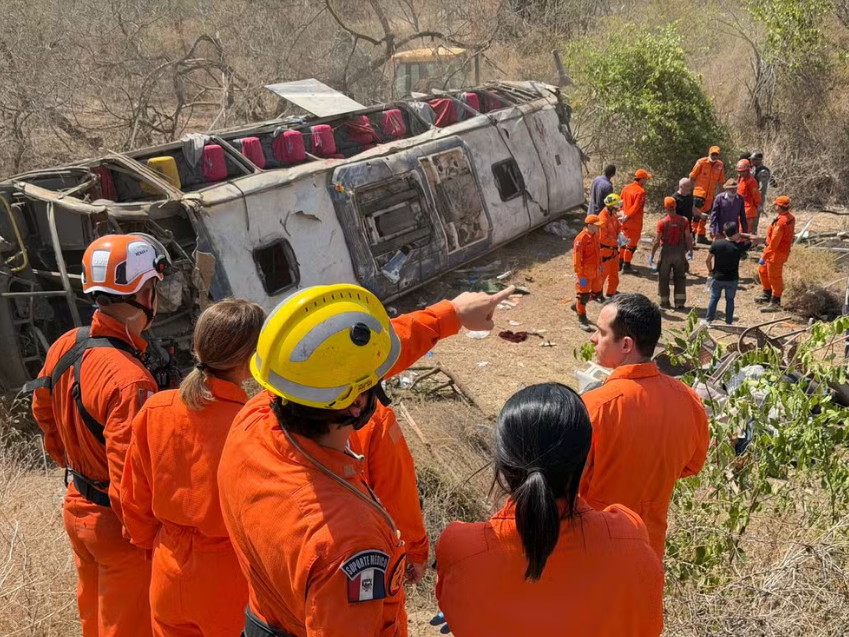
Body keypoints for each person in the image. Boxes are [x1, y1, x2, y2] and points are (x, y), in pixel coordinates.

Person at [217, 283, 514, 637]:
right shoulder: (348, 543)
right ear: (357, 403)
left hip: (264, 618)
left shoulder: (251, 421)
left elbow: (338, 363)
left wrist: (450, 315)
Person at [434, 383, 664, 637]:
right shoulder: (628, 537)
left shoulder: (461, 550)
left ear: (503, 463)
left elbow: (456, 613)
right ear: (586, 460)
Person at [29, 234, 168, 637]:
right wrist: (149, 539)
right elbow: (130, 477)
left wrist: (77, 465)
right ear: (146, 292)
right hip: (119, 529)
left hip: (78, 507)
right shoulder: (131, 380)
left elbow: (43, 411)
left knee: (95, 622)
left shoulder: (66, 345)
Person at [121, 299, 265, 637]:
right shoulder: (253, 424)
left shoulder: (156, 409)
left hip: (167, 570)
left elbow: (133, 500)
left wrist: (159, 549)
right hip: (229, 580)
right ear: (251, 358)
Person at [582, 294, 710, 559]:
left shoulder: (595, 406)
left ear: (626, 344)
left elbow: (564, 485)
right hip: (648, 551)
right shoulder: (688, 400)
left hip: (594, 548)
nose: (593, 338)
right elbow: (691, 465)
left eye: (601, 332)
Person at [705, 222, 757, 326]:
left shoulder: (717, 244)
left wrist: (710, 271)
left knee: (714, 298)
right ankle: (728, 322)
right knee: (730, 300)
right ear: (736, 232)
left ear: (724, 232)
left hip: (717, 277)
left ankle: (708, 321)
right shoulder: (739, 246)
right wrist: (741, 235)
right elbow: (755, 239)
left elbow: (708, 259)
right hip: (732, 279)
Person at [650, 197, 693, 310]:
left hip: (666, 253)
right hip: (679, 253)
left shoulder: (662, 223)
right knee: (680, 277)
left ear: (665, 207)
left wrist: (652, 255)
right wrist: (690, 251)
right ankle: (679, 303)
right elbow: (688, 237)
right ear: (675, 206)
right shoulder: (684, 220)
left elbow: (657, 241)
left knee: (663, 277)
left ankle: (664, 302)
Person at [756, 196, 796, 313]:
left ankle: (775, 301)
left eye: (776, 205)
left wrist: (764, 256)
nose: (775, 207)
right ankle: (767, 293)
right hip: (774, 251)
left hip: (775, 253)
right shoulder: (789, 218)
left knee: (775, 277)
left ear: (780, 206)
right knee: (763, 271)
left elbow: (774, 243)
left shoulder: (781, 222)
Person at [572, 214, 604, 332]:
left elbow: (598, 253)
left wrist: (601, 266)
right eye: (597, 225)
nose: (599, 227)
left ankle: (577, 305)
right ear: (590, 225)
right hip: (585, 274)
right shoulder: (580, 239)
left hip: (595, 271)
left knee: (597, 293)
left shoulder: (595, 235)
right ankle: (582, 317)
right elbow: (577, 260)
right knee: (583, 296)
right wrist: (580, 276)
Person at [690, 146, 725, 244]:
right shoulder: (701, 162)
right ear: (709, 153)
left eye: (716, 154)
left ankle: (701, 236)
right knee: (696, 215)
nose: (714, 156)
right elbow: (692, 177)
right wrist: (689, 191)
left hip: (710, 195)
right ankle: (692, 236)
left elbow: (721, 182)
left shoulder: (720, 165)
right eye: (713, 154)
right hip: (699, 193)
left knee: (705, 215)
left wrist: (722, 195)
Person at [620, 169, 652, 273]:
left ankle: (620, 263)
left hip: (623, 220)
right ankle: (626, 266)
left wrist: (622, 214)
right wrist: (627, 216)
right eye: (646, 179)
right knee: (631, 245)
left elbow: (619, 203)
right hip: (633, 222)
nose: (646, 181)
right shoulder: (640, 192)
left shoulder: (626, 188)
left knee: (623, 242)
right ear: (641, 179)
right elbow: (636, 207)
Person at [598, 194, 623, 299]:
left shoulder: (612, 215)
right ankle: (597, 293)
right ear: (610, 207)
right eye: (616, 209)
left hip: (613, 251)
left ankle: (611, 291)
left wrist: (621, 234)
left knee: (614, 273)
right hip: (605, 251)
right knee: (602, 274)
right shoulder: (602, 219)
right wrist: (616, 242)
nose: (617, 211)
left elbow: (618, 226)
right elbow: (603, 239)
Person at [736, 158, 762, 236]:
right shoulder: (740, 179)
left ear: (748, 170)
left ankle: (744, 242)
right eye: (740, 172)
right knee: (739, 229)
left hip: (748, 209)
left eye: (743, 171)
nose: (741, 173)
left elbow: (756, 195)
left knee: (744, 230)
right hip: (740, 207)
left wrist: (758, 205)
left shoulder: (751, 181)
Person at [751, 152, 771, 233]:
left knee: (755, 217)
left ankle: (753, 234)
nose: (752, 161)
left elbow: (762, 189)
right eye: (752, 159)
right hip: (752, 197)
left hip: (758, 198)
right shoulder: (754, 169)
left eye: (754, 159)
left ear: (759, 160)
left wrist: (757, 200)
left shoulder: (763, 172)